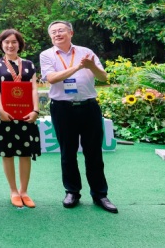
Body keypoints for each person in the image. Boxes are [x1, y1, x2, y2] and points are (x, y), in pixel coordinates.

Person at [40, 21, 117, 213]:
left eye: (61, 30)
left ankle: (100, 194)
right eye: (53, 32)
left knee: (94, 152)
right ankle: (72, 192)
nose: (57, 34)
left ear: (71, 33)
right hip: (62, 109)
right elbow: (51, 78)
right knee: (68, 152)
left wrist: (91, 66)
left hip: (88, 107)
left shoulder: (86, 52)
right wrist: (78, 67)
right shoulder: (47, 55)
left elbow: (103, 77)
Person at [0, 29, 41, 208]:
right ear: (1, 44)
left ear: (19, 44)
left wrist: (36, 110)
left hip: (27, 114)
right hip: (5, 115)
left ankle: (24, 191)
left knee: (26, 152)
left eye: (14, 42)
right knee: (7, 152)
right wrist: (0, 110)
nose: (10, 45)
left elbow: (34, 88)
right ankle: (13, 191)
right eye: (6, 42)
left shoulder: (29, 64)